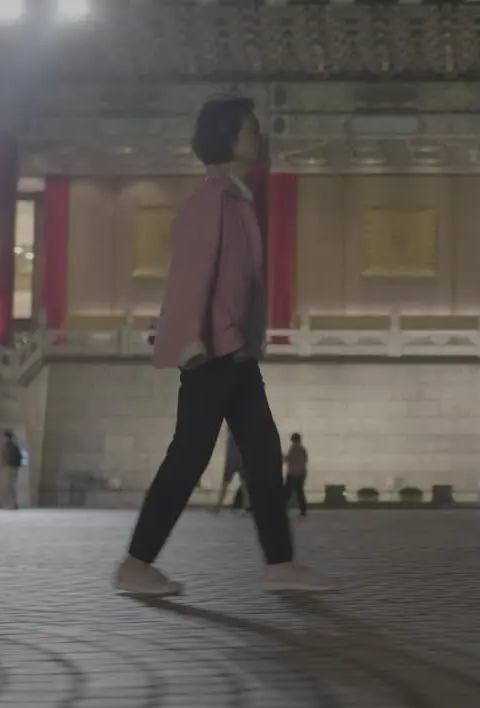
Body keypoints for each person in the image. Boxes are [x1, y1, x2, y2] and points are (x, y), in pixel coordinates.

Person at [112, 95, 333, 596]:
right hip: (210, 353)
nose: (259, 138)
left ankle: (280, 563)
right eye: (251, 130)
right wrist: (191, 340)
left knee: (261, 452)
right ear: (228, 139)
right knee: (189, 457)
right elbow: (191, 277)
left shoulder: (235, 199)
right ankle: (135, 565)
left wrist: (246, 341)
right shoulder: (209, 202)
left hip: (234, 352)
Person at [214, 431, 248, 513]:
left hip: (235, 461)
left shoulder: (234, 438)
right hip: (238, 460)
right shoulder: (240, 438)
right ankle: (246, 506)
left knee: (242, 485)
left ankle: (218, 506)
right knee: (244, 485)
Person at [285, 433, 309, 518]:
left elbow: (288, 459)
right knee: (300, 492)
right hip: (301, 473)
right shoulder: (302, 449)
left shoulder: (293, 448)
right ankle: (303, 510)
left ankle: (282, 508)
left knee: (287, 492)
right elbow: (305, 460)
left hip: (292, 473)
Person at [0, 430, 23, 510]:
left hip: (8, 467)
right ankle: (9, 503)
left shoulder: (8, 446)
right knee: (9, 486)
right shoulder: (14, 446)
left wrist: (2, 465)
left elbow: (5, 458)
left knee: (8, 486)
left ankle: (9, 504)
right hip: (13, 468)